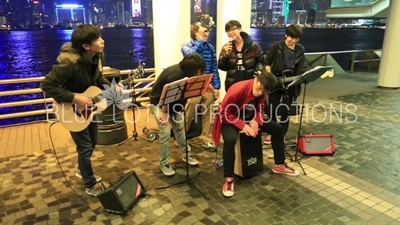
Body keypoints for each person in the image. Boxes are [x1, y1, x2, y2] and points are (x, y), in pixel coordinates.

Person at [40, 24, 117, 196]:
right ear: (86, 46)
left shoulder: (96, 58)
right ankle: (90, 184)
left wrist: (112, 87)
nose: (102, 41)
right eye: (97, 39)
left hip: (88, 109)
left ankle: (82, 170)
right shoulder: (69, 64)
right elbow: (46, 85)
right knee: (85, 147)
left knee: (92, 143)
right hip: (70, 110)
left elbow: (97, 79)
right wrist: (75, 98)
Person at [212, 71, 300, 198]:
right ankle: (229, 178)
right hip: (230, 119)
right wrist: (243, 125)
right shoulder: (238, 89)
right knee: (230, 140)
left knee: (277, 129)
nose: (260, 93)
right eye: (260, 88)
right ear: (256, 80)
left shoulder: (262, 92)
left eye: (264, 91)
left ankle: (279, 164)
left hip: (249, 118)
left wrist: (255, 121)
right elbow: (223, 112)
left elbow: (260, 108)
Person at [149, 53, 211, 176]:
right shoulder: (176, 75)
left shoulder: (188, 74)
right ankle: (164, 163)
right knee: (165, 132)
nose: (200, 73)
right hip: (159, 103)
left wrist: (205, 88)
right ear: (192, 69)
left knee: (180, 129)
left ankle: (186, 155)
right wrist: (165, 112)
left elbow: (188, 92)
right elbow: (167, 95)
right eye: (199, 71)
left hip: (174, 104)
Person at [181, 20, 220, 151]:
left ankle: (206, 138)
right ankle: (181, 138)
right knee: (190, 108)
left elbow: (214, 67)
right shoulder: (186, 46)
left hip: (207, 85)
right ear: (195, 32)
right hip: (193, 84)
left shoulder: (210, 48)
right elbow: (193, 56)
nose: (207, 34)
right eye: (204, 31)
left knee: (208, 111)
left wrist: (217, 86)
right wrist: (200, 41)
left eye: (208, 32)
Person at [263, 24, 305, 144]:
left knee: (286, 110)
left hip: (290, 83)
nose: (293, 41)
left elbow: (301, 67)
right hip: (276, 81)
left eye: (296, 38)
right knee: (272, 109)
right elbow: (267, 62)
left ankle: (281, 133)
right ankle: (272, 132)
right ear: (286, 35)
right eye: (291, 37)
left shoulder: (300, 49)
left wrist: (302, 77)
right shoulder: (277, 46)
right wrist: (270, 77)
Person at [218, 20, 264, 92]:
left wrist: (257, 72)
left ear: (240, 29)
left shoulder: (253, 46)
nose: (230, 32)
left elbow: (261, 60)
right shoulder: (226, 47)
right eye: (228, 31)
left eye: (233, 29)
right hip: (233, 83)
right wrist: (226, 55)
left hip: (249, 81)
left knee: (248, 102)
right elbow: (222, 67)